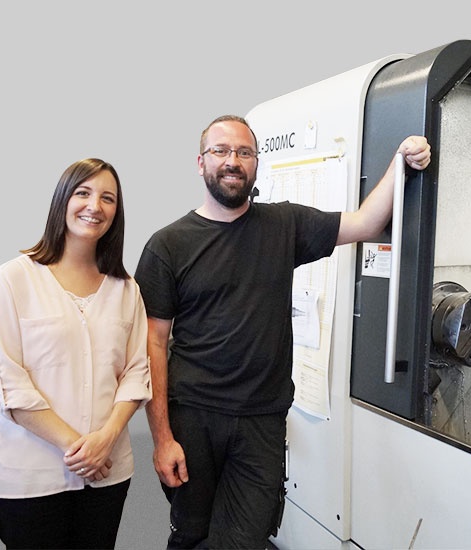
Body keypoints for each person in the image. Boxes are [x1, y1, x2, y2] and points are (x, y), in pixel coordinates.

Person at [135, 115, 430, 549]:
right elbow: (152, 345)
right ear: (201, 163)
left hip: (262, 421)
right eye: (221, 151)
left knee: (243, 541)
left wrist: (400, 159)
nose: (232, 161)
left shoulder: (284, 225)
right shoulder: (168, 245)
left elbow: (366, 223)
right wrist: (162, 439)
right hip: (193, 417)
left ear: (256, 164)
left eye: (244, 152)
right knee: (193, 535)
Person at [0, 158, 152, 549]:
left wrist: (106, 439)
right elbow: (6, 380)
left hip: (107, 475)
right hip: (31, 480)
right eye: (83, 193)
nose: (95, 205)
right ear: (62, 200)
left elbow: (136, 371)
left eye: (108, 198)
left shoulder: (126, 290)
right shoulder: (14, 278)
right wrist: (79, 448)